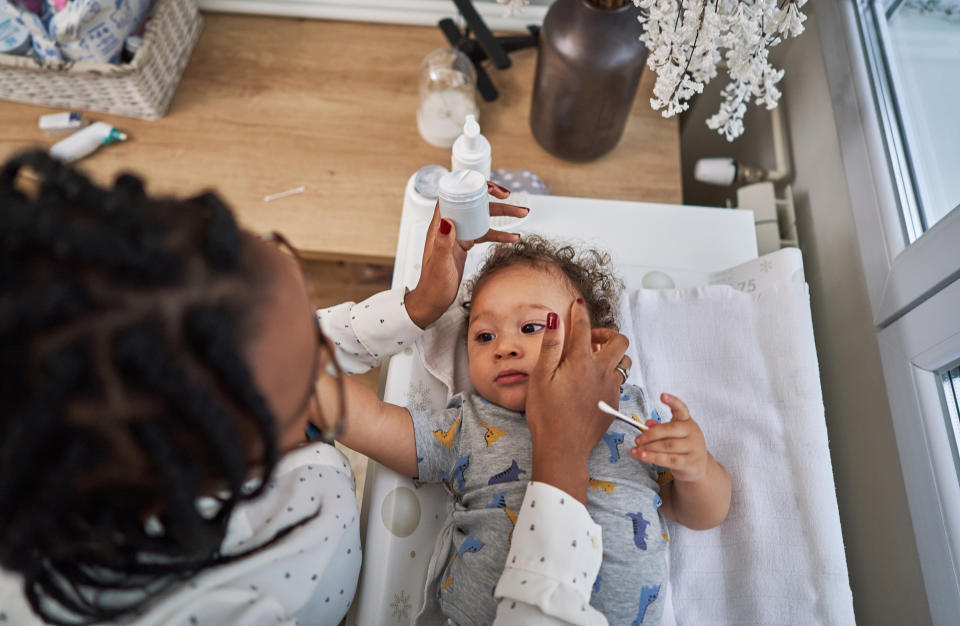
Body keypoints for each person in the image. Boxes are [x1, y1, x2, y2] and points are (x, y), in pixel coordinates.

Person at [0, 151, 629, 625]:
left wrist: (413, 308)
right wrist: (561, 464)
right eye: (313, 370)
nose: (321, 332)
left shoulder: (168, 368)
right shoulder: (230, 608)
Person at [334, 236, 732, 625]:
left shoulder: (627, 410)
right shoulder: (467, 425)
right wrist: (304, 380)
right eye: (484, 336)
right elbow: (374, 421)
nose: (504, 347)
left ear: (591, 342)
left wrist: (696, 469)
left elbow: (701, 514)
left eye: (531, 327)